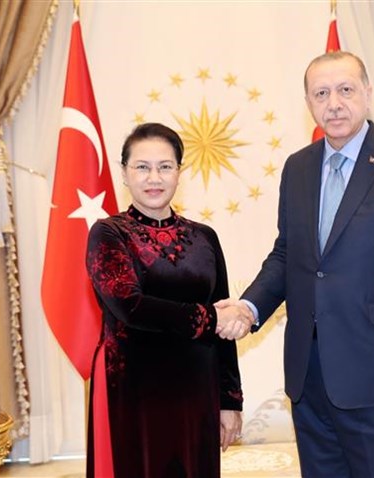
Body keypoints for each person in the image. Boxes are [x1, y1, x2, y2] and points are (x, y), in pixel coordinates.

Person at [218, 51, 374, 477]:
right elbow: (288, 254)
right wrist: (248, 307)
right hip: (310, 376)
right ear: (308, 102)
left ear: (368, 93)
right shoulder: (298, 168)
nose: (335, 104)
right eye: (321, 94)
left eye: (345, 90)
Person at [85, 122, 253, 478]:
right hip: (134, 391)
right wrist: (210, 318)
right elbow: (129, 306)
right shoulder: (108, 233)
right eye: (142, 167)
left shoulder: (205, 237)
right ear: (124, 173)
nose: (154, 178)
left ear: (179, 172)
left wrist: (229, 400)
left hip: (198, 389)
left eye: (165, 166)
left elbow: (223, 325)